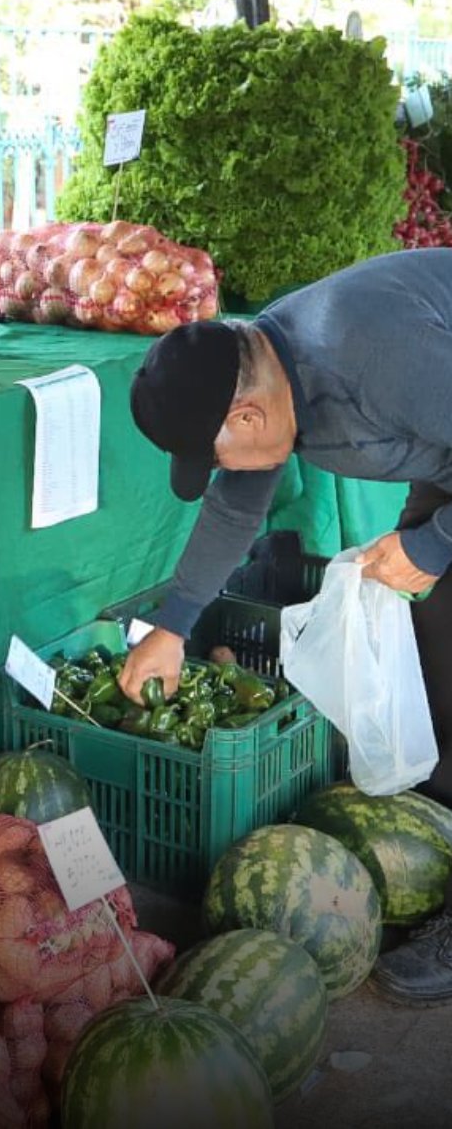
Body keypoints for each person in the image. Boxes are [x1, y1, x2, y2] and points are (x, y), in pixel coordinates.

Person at [122, 247, 452, 1006]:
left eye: (214, 456)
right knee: (436, 660)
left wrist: (434, 544)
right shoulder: (266, 370)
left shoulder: (370, 353)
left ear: (247, 417)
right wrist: (173, 626)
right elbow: (235, 507)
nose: (221, 471)